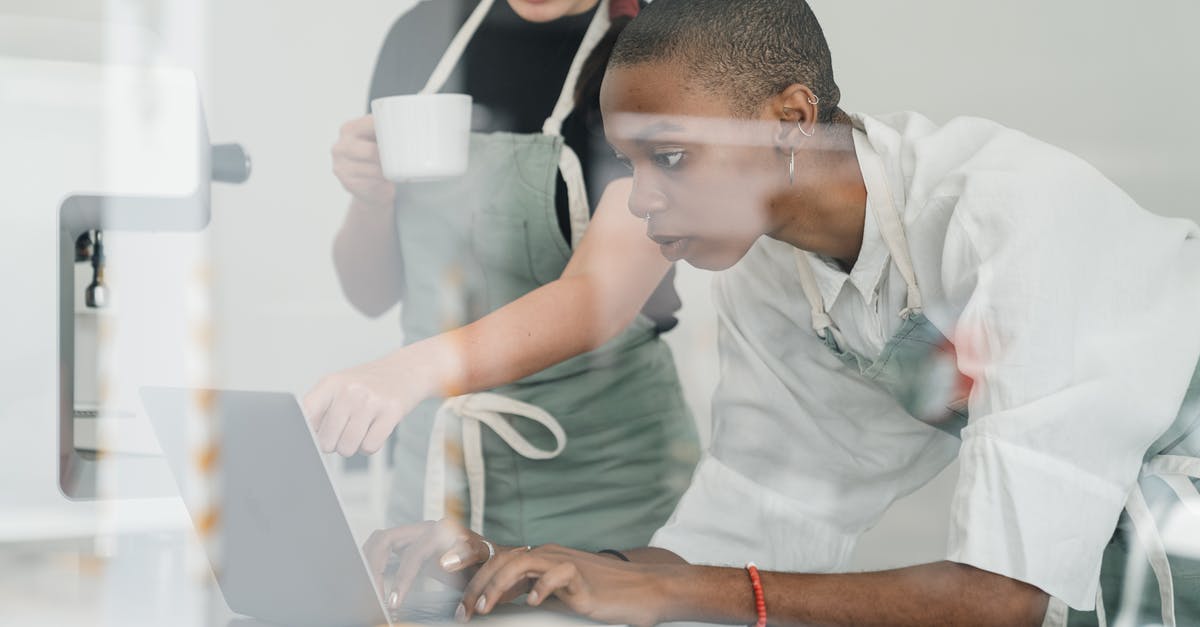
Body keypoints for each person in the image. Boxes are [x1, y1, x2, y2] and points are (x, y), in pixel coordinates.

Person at [366, 1, 1200, 625]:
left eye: (671, 157)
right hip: (1132, 556)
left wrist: (670, 587)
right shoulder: (778, 275)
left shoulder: (1006, 219)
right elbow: (751, 526)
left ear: (791, 121)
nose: (641, 202)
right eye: (628, 163)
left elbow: (997, 600)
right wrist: (528, 567)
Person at [304, 0, 699, 577]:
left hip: (605, 503)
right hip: (437, 493)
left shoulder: (651, 48)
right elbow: (369, 291)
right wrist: (371, 198)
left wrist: (411, 372)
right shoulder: (422, 36)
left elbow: (598, 298)